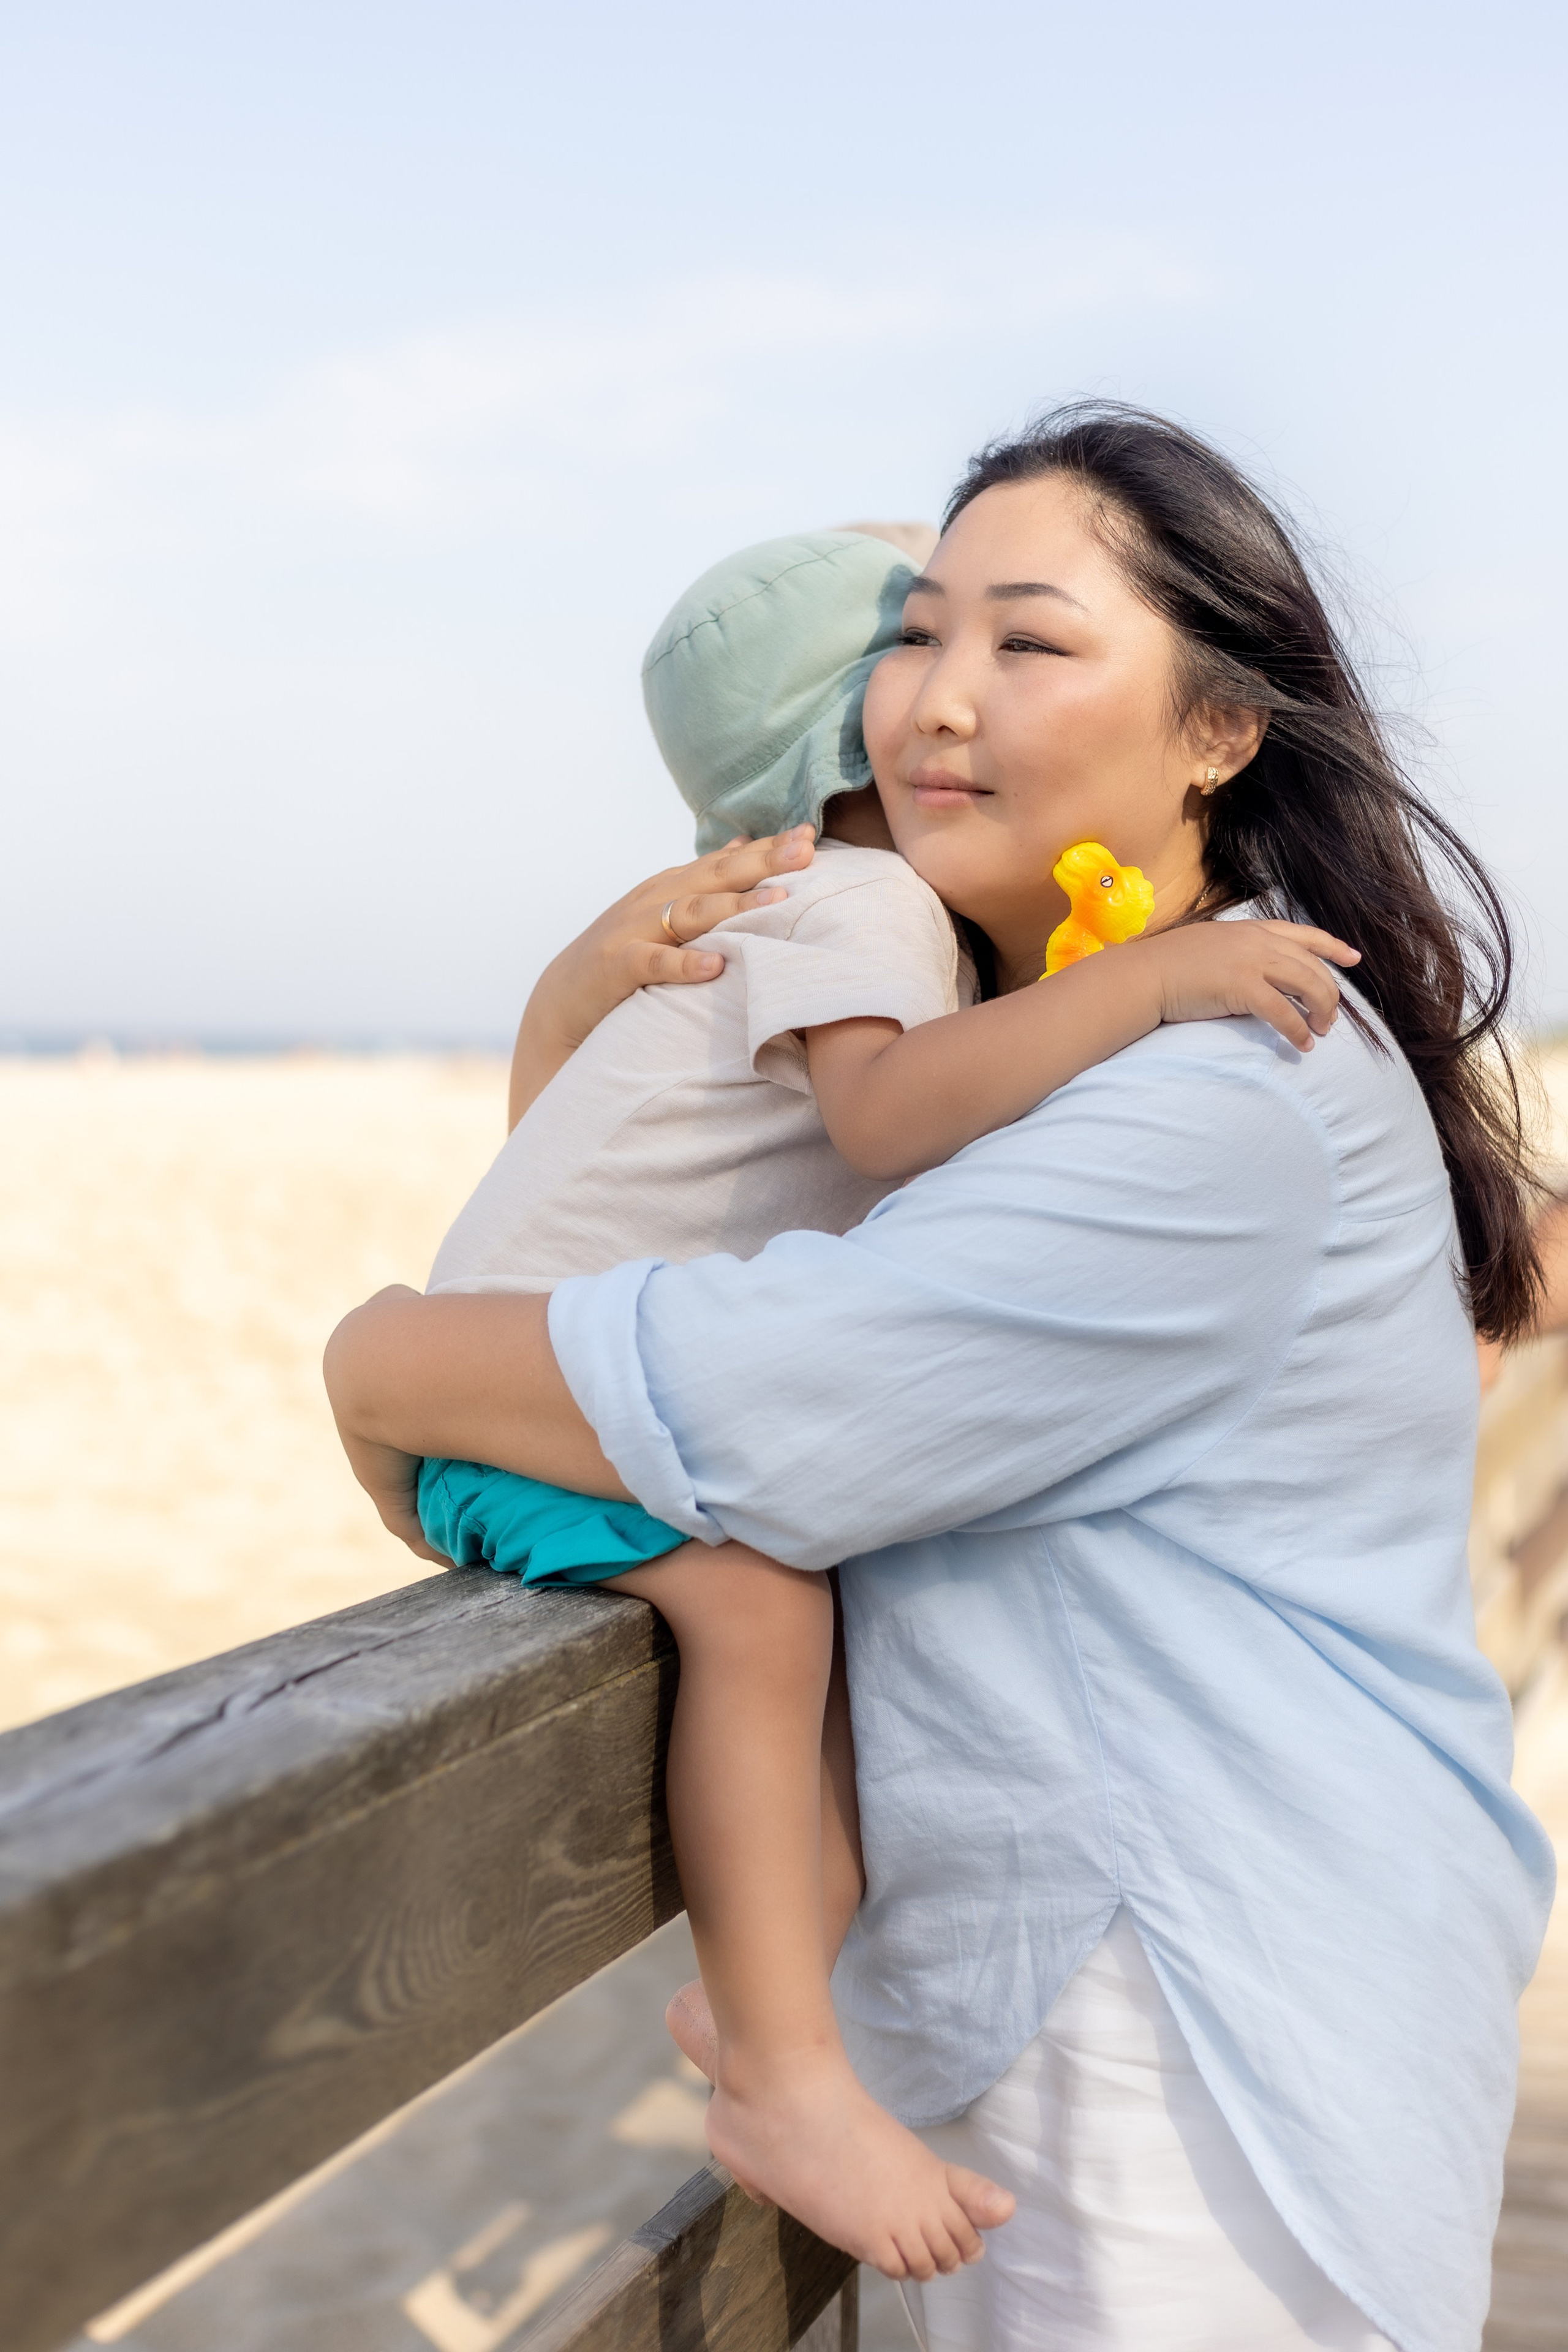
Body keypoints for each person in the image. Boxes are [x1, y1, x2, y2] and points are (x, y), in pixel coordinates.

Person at [325, 404, 1556, 2352]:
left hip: (1188, 2053)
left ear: (1224, 730)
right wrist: (575, 1015)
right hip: (1126, 1995)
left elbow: (773, 1398)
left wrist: (379, 1353)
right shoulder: (1066, 1048)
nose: (940, 700)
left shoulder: (1219, 1090)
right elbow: (678, 1229)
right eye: (915, 635)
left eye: (1032, 641)